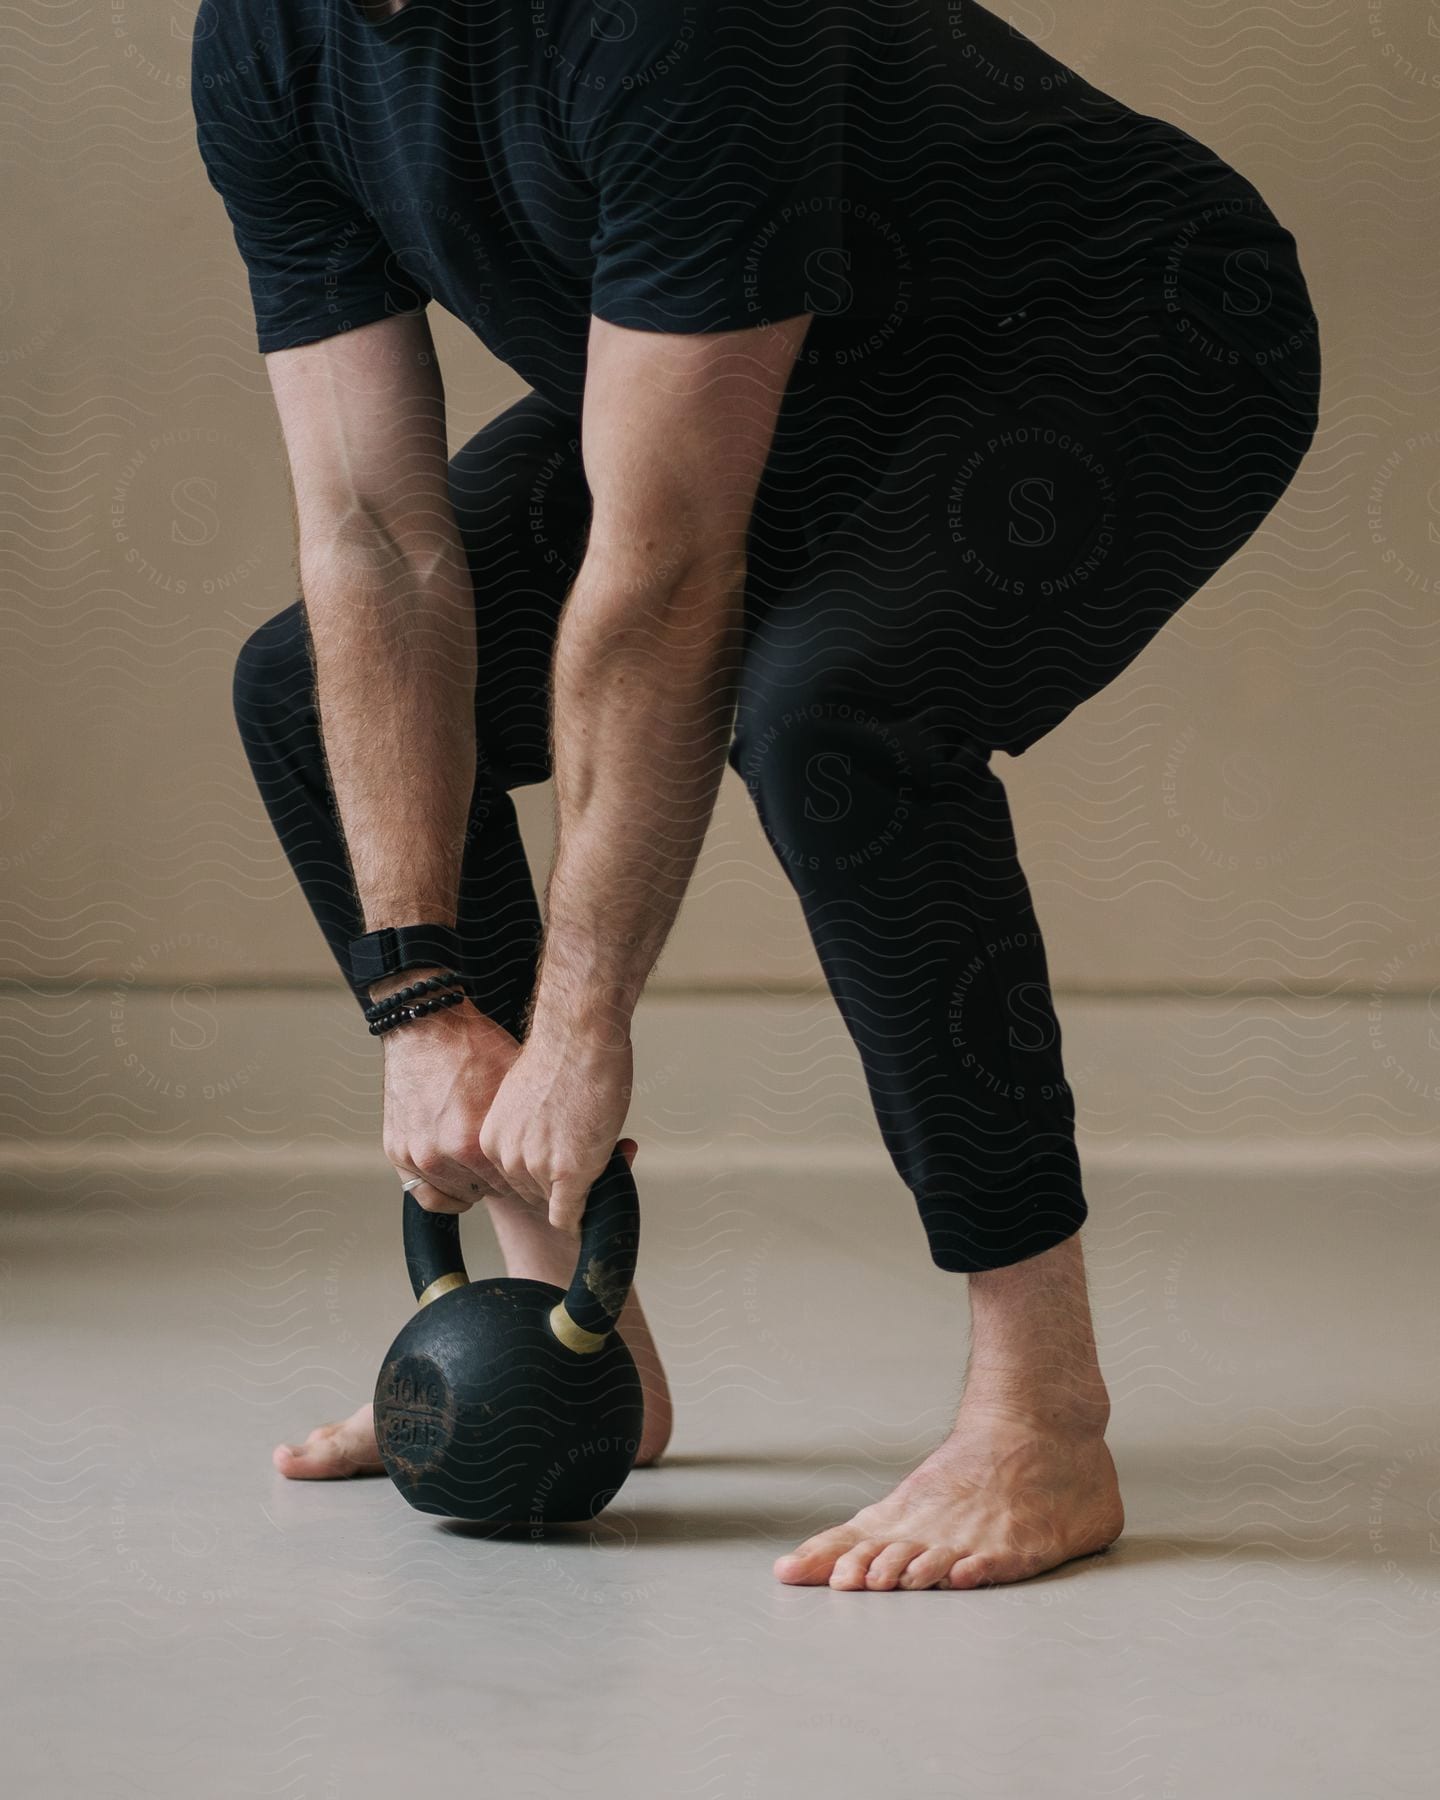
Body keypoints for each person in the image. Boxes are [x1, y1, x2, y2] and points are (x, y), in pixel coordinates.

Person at [192, 0, 1320, 1590]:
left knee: (831, 714)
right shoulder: (263, 41)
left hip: (1123, 327)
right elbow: (377, 534)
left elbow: (660, 578)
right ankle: (571, 1343)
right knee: (294, 686)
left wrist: (583, 1023)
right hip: (794, 369)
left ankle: (1043, 1420)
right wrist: (422, 1003)